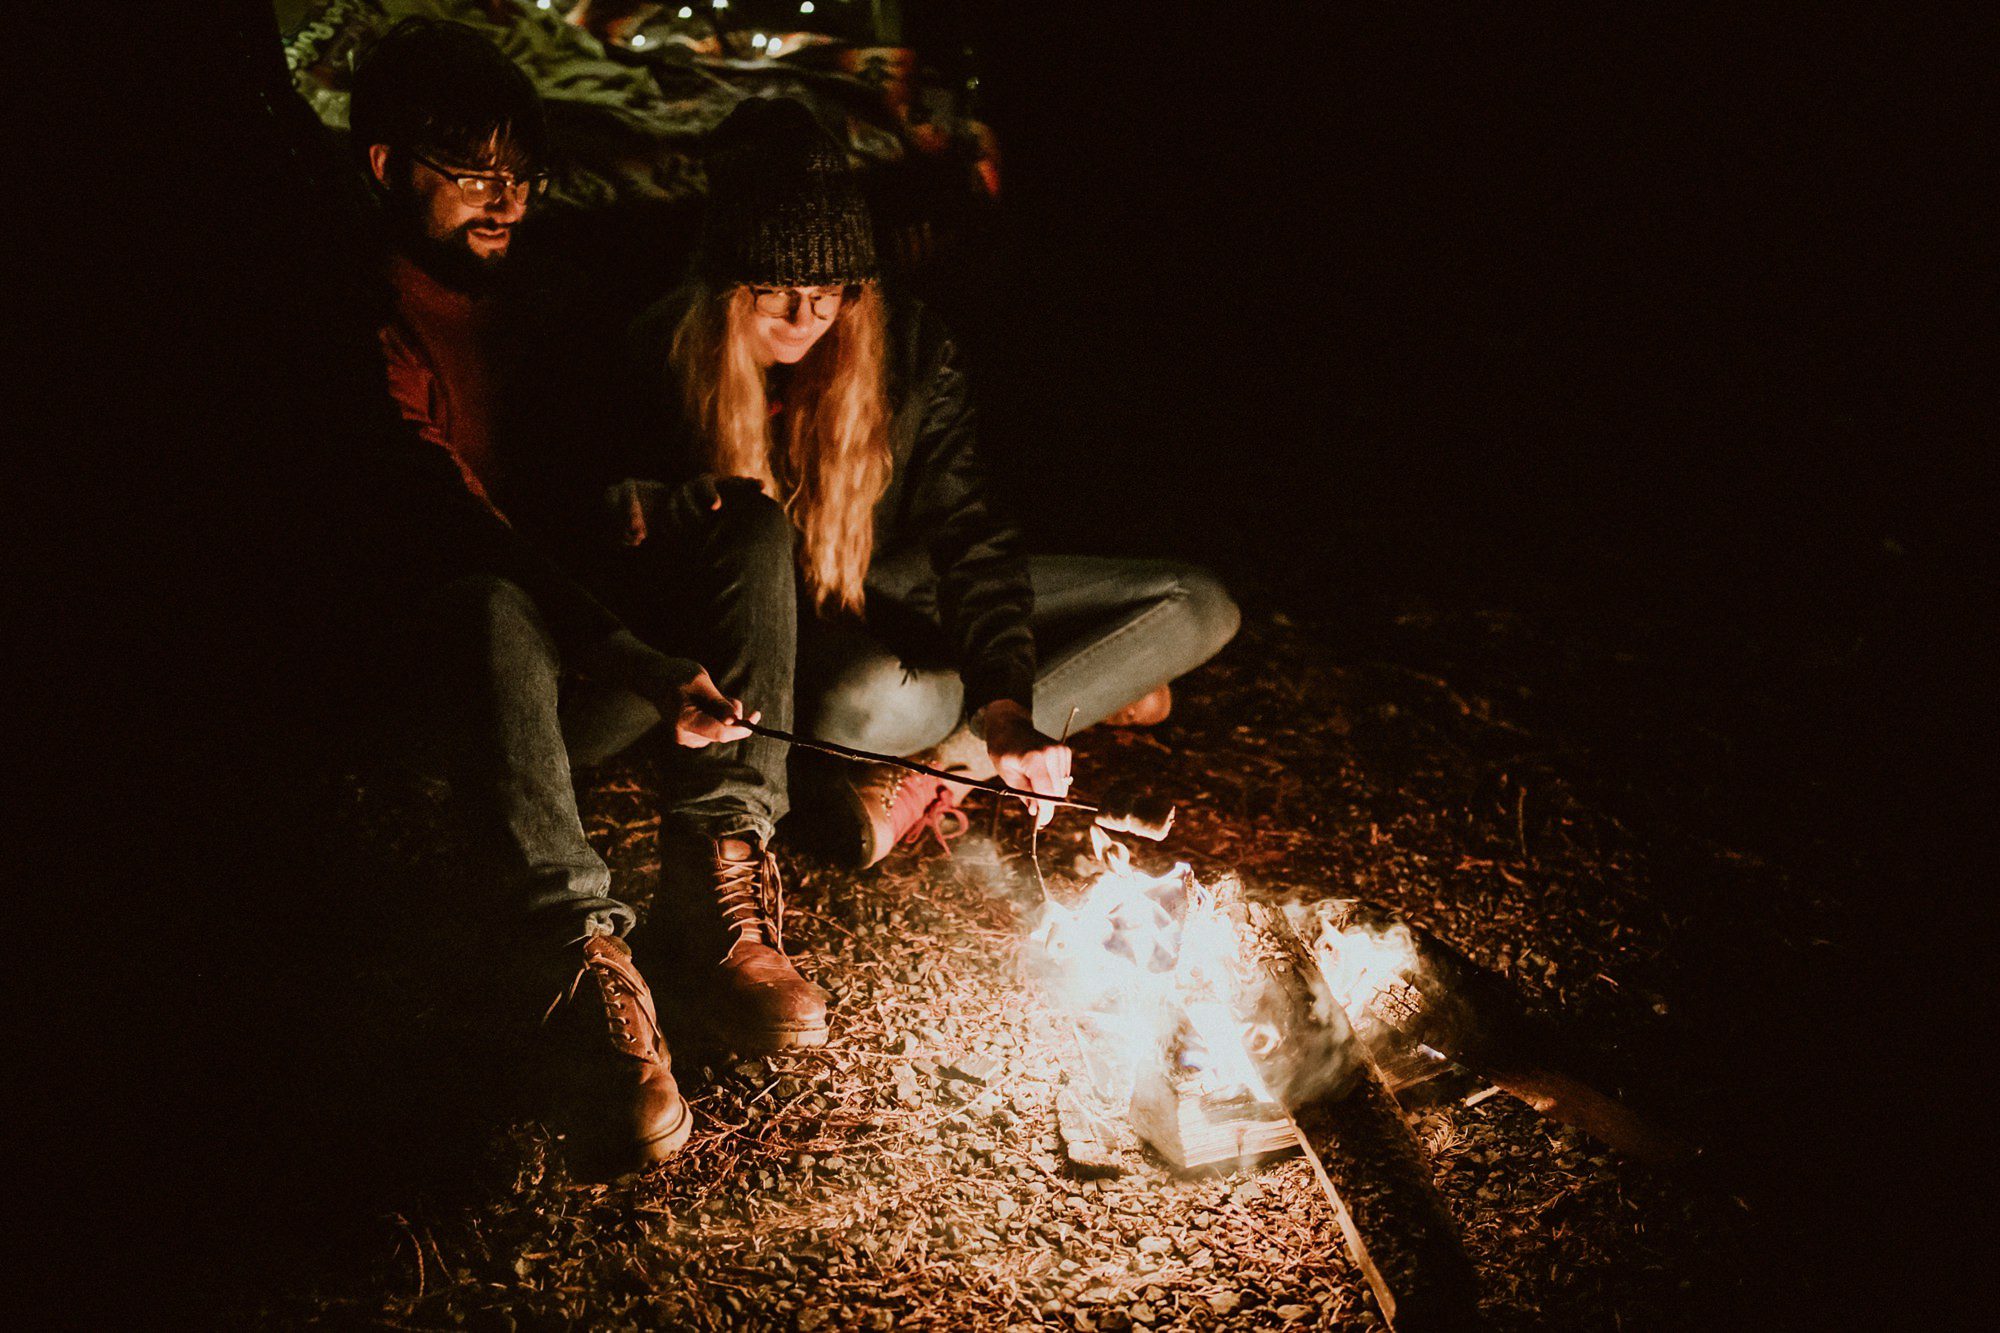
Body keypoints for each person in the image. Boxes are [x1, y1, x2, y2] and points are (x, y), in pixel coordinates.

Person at [349, 20, 826, 1170]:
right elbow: (446, 520)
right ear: (383, 166)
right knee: (486, 601)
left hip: (584, 676)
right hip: (457, 698)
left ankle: (718, 879)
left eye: (522, 174)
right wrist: (623, 646)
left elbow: (579, 472)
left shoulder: (540, 300)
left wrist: (650, 494)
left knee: (745, 524)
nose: (506, 201)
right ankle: (574, 953)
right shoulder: (349, 321)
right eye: (473, 174)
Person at [601, 98, 1240, 867]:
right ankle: (1044, 702)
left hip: (906, 596)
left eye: (831, 289)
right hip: (807, 653)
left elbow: (969, 528)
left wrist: (1003, 706)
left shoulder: (909, 351)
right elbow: (645, 570)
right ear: (728, 284)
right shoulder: (664, 354)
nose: (806, 316)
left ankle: (949, 770)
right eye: (775, 291)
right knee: (885, 698)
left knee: (1199, 605)